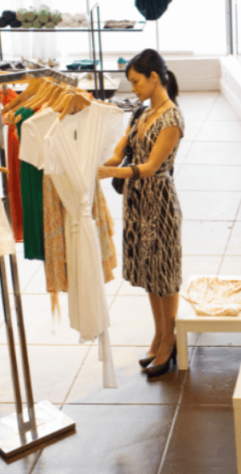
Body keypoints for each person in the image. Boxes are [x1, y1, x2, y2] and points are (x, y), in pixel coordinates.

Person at [98, 49, 184, 378]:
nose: (132, 88)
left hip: (158, 203)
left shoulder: (171, 119)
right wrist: (99, 163)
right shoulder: (141, 112)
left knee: (164, 274)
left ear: (153, 78)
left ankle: (170, 337)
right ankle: (160, 333)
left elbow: (150, 168)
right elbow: (122, 150)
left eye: (136, 82)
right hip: (136, 202)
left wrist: (110, 174)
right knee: (150, 274)